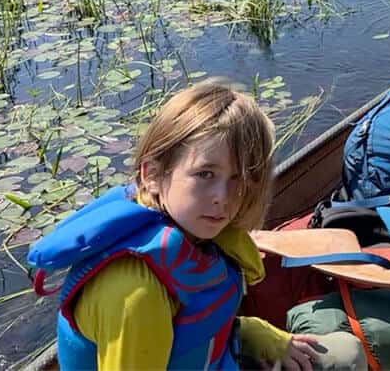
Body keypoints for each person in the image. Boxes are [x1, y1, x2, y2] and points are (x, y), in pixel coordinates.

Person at [28, 81, 364, 370]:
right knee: (347, 357)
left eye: (239, 178)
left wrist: (260, 334)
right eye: (205, 174)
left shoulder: (194, 229)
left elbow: (193, 331)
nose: (224, 197)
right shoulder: (136, 293)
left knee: (347, 353)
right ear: (153, 174)